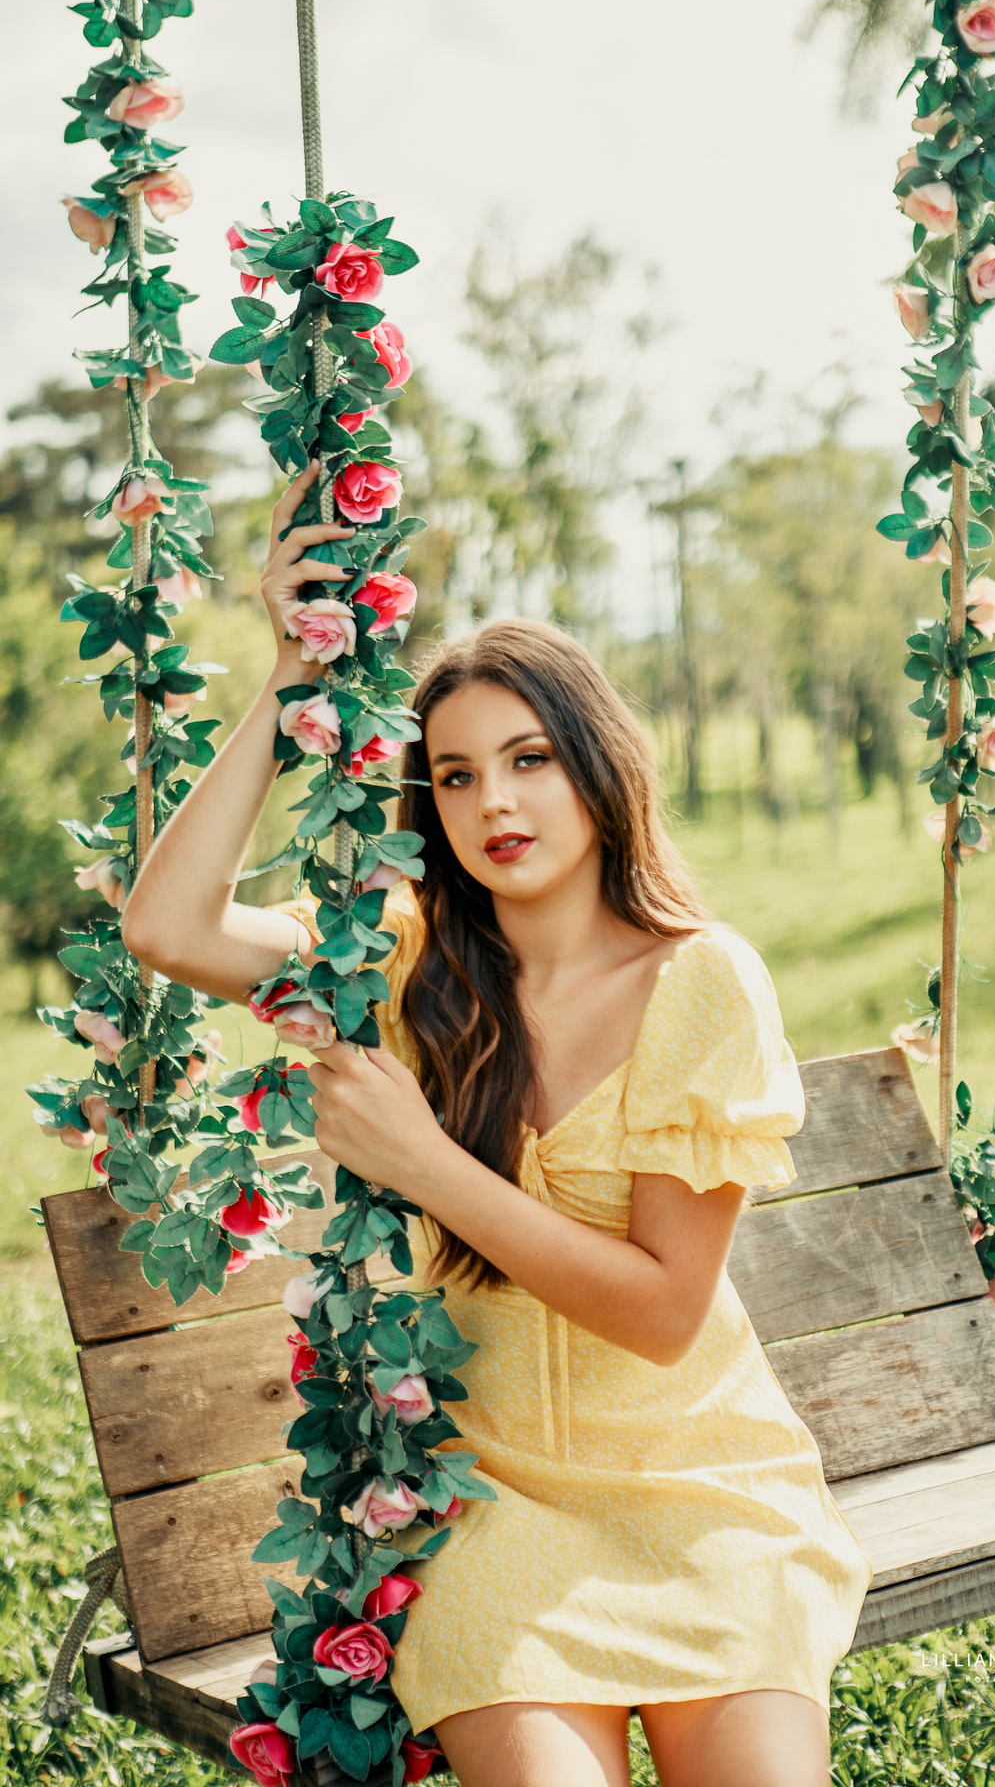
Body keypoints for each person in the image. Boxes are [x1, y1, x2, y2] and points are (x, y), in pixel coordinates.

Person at [123, 466, 873, 1787]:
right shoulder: (404, 959)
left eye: (529, 760)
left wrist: (423, 1166)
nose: (495, 805)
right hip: (491, 1502)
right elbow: (171, 928)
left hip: (707, 1492)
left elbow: (659, 1312)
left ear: (599, 768)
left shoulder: (702, 981)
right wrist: (289, 678)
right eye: (456, 776)